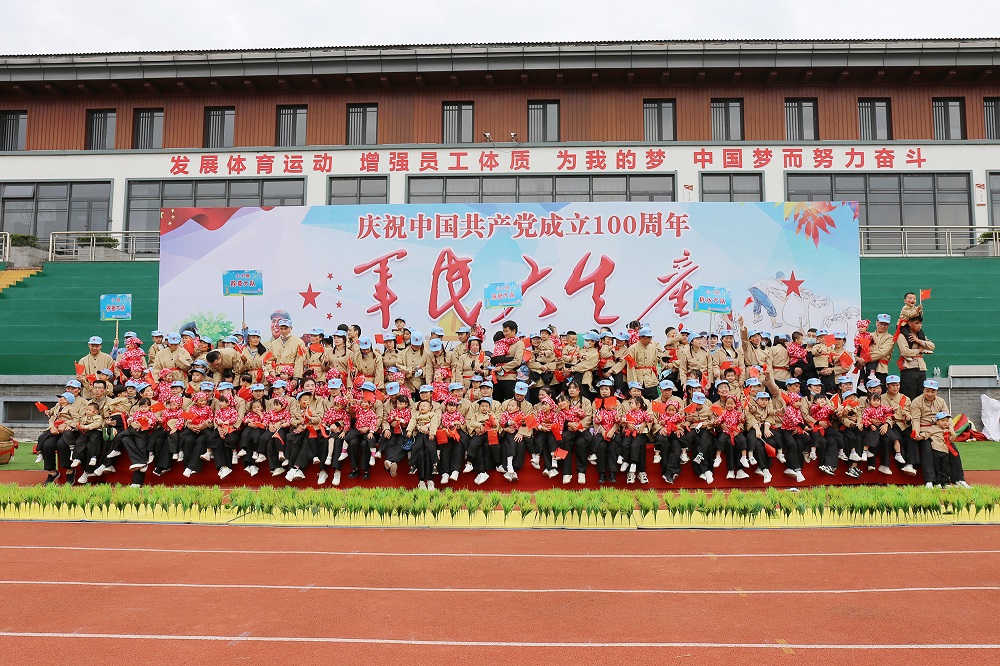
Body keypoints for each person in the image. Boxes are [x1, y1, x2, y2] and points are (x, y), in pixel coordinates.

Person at [897, 315, 934, 399]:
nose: (919, 325)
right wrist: (919, 350)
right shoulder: (902, 335)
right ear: (909, 323)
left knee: (920, 397)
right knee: (908, 397)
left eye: (920, 323)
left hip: (921, 369)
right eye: (917, 323)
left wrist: (918, 341)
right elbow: (905, 352)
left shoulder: (920, 335)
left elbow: (932, 346)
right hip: (909, 369)